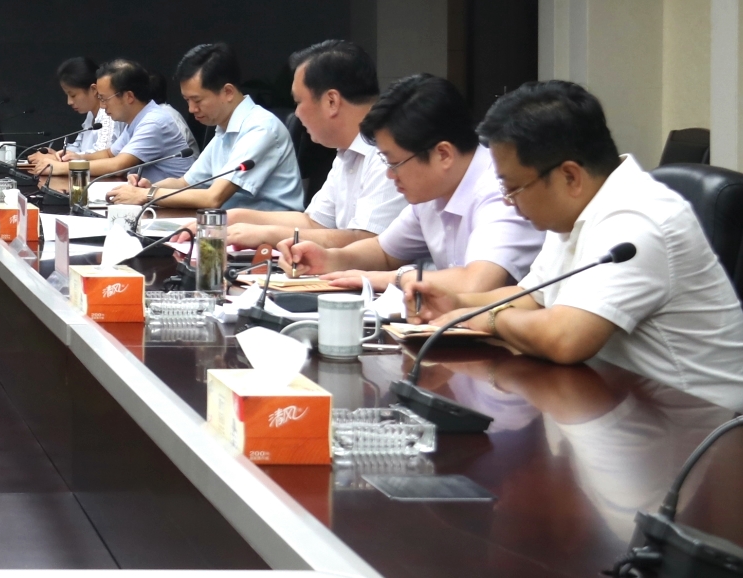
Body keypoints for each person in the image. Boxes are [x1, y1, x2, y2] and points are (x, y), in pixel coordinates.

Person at [410, 81, 743, 410]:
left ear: (570, 176)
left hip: (699, 427)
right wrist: (457, 304)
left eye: (514, 188)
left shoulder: (639, 219)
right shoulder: (577, 209)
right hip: (621, 404)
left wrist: (487, 319)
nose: (509, 201)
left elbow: (566, 338)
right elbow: (535, 297)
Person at [284, 74, 541, 296]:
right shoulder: (434, 189)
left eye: (395, 163)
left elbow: (476, 284)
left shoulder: (501, 190)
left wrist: (393, 278)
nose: (390, 175)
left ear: (443, 154)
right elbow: (385, 252)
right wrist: (330, 258)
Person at [227, 40, 408, 250]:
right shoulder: (347, 151)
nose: (296, 113)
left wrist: (267, 234)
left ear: (331, 101)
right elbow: (315, 222)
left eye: (298, 102)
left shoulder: (388, 153)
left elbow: (368, 242)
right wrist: (232, 218)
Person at [109, 43, 302, 211]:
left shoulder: (260, 129)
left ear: (228, 92)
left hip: (270, 235)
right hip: (232, 227)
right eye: (187, 100)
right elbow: (185, 183)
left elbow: (213, 198)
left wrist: (147, 195)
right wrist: (147, 187)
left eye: (197, 100)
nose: (191, 109)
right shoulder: (224, 129)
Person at [23, 57, 111, 178]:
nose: (69, 102)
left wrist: (57, 160)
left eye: (73, 95)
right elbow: (78, 147)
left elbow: (102, 155)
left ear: (94, 89)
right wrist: (58, 154)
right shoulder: (91, 114)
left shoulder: (109, 114)